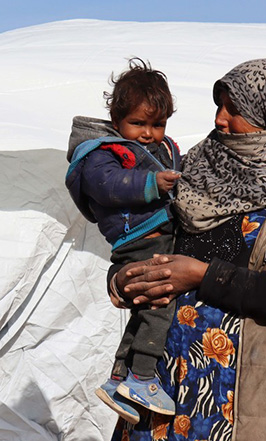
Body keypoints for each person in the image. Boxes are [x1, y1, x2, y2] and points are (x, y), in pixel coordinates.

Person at [108, 59, 266, 441]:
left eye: (235, 110)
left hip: (238, 413)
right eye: (219, 106)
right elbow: (139, 237)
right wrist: (123, 280)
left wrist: (202, 275)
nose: (221, 120)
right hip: (156, 403)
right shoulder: (187, 172)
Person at [65, 58, 182, 424]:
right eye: (138, 123)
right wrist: (151, 185)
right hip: (138, 239)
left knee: (144, 309)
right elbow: (108, 186)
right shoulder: (103, 153)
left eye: (157, 124)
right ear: (116, 122)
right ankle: (143, 377)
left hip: (156, 234)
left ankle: (120, 379)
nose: (149, 133)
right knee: (160, 303)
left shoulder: (160, 149)